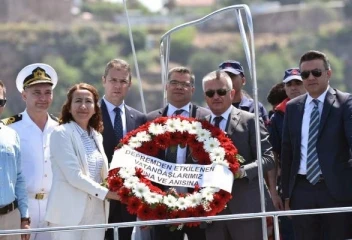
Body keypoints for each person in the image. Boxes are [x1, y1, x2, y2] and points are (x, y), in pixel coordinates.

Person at [281, 50, 352, 240]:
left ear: (328, 74)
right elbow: (287, 151)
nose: (310, 78)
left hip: (337, 190)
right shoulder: (293, 107)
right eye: (305, 74)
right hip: (301, 191)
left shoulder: (344, 102)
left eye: (316, 72)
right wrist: (286, 194)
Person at [202, 70, 275, 240]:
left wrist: (241, 171)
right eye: (210, 93)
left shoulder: (250, 120)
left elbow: (268, 158)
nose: (216, 97)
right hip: (212, 211)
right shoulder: (199, 124)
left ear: (232, 93)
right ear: (205, 96)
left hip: (246, 209)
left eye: (221, 91)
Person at [45, 83, 120, 240]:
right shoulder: (61, 133)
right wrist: (108, 194)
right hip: (67, 214)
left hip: (97, 213)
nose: (83, 106)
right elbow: (74, 175)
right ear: (69, 107)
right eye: (78, 101)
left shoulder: (97, 136)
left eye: (88, 101)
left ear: (95, 108)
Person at [147, 66, 210, 240]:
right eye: (174, 82)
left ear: (193, 89)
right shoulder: (150, 119)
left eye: (185, 84)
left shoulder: (206, 118)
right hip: (161, 202)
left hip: (198, 202)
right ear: (166, 86)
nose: (179, 87)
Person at [1, 64, 58, 240]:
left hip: (54, 206)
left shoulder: (61, 128)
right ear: (24, 95)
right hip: (22, 207)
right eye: (36, 92)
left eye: (47, 92)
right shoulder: (10, 128)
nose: (43, 97)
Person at [100, 59, 147, 240]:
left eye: (123, 81)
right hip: (100, 200)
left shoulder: (139, 118)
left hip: (129, 201)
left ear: (130, 84)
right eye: (113, 80)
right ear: (104, 80)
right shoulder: (89, 114)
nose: (117, 86)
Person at [268, 68, 306, 240]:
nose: (293, 87)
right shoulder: (277, 117)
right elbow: (273, 156)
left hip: (320, 183)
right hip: (289, 187)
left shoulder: (322, 109)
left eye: (297, 82)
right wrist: (274, 193)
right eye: (289, 84)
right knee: (291, 232)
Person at [0, 80, 30, 240]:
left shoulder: (11, 135)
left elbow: (18, 178)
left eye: (0, 101)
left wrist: (25, 217)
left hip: (11, 217)